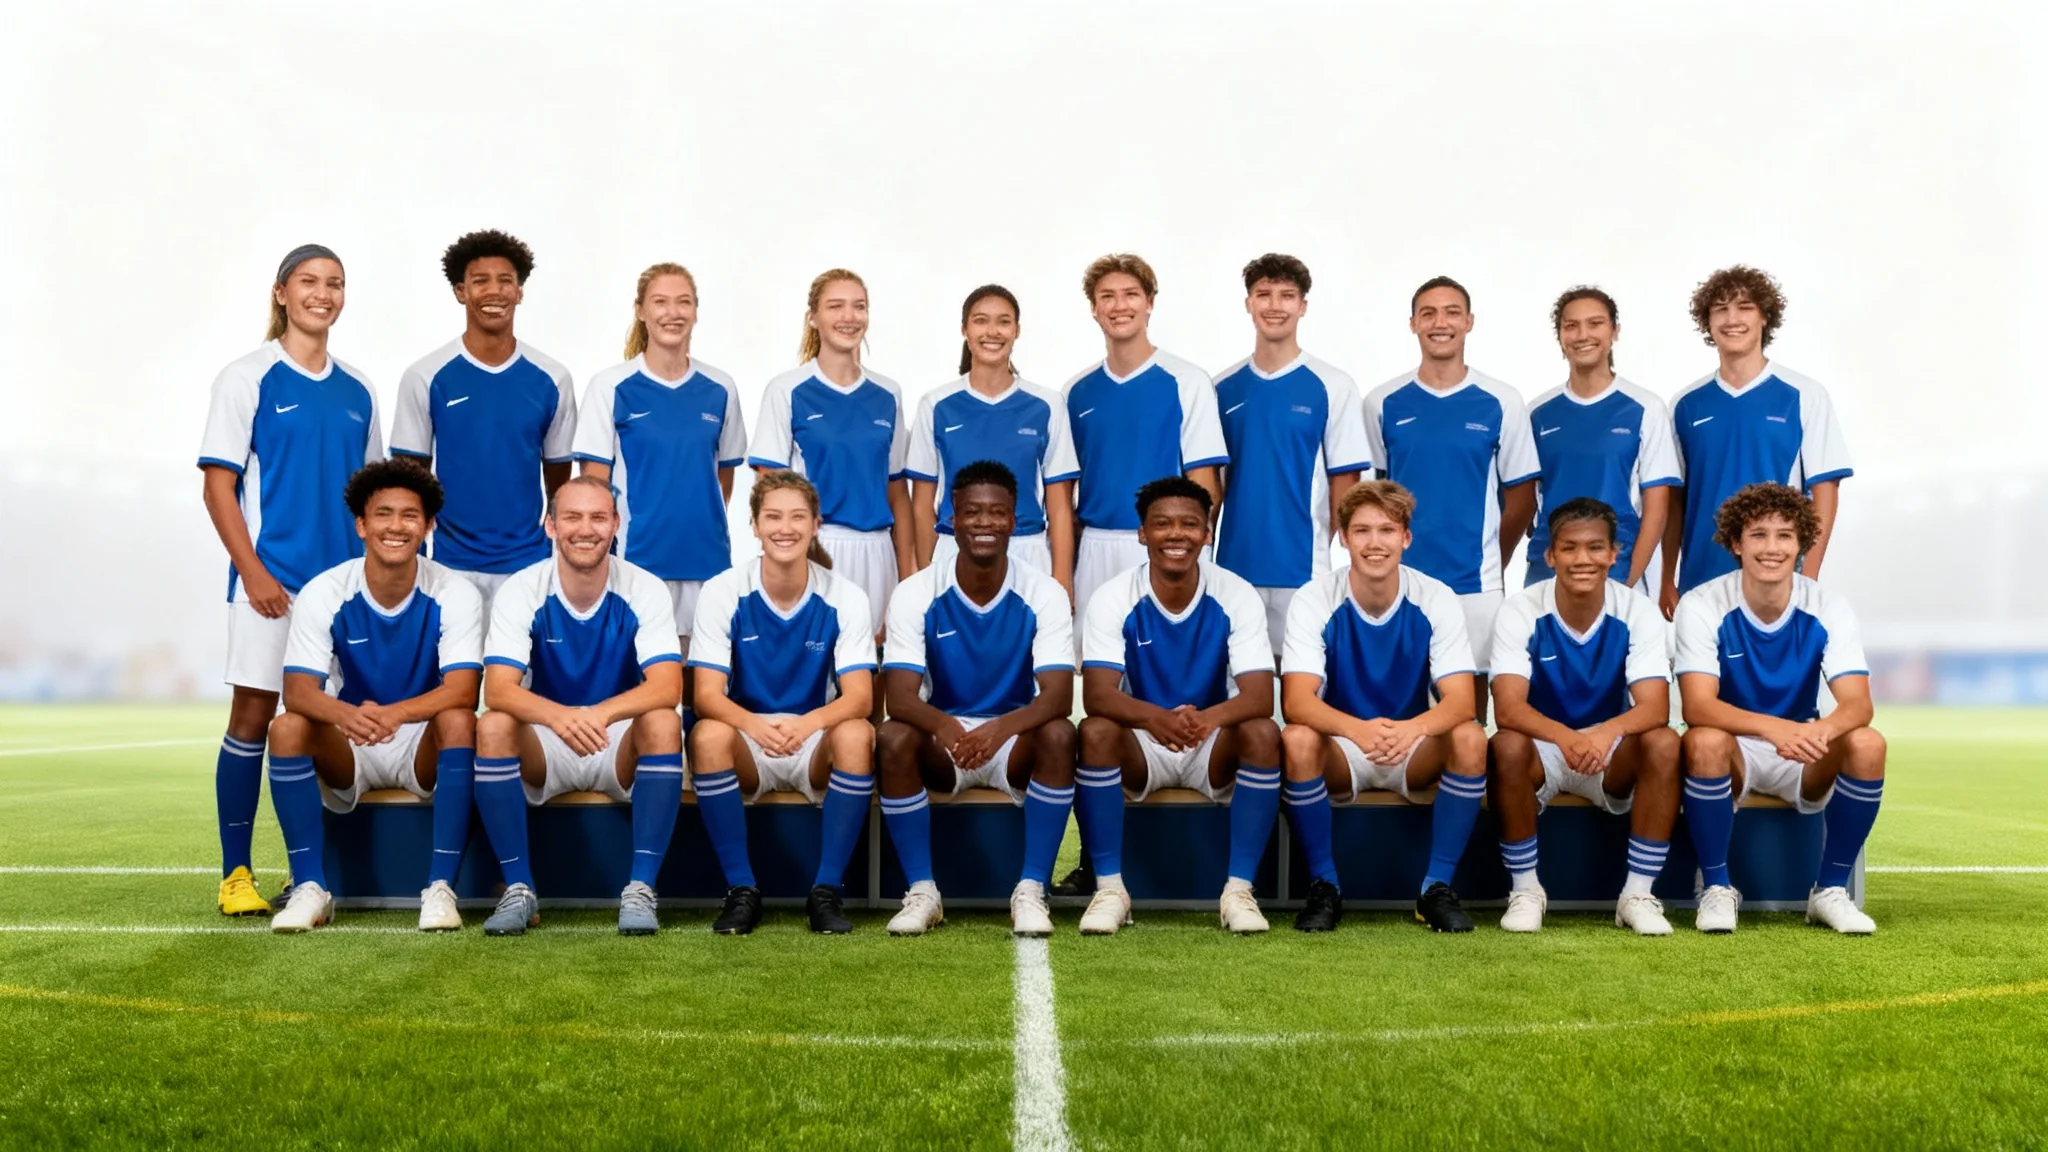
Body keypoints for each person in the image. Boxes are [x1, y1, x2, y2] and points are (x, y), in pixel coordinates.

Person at [197, 243, 383, 917]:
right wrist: (253, 572)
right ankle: (236, 874)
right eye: (309, 282)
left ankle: (316, 874)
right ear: (281, 292)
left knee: (321, 728)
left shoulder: (359, 388)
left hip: (342, 598)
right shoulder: (247, 377)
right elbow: (220, 486)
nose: (322, 294)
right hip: (270, 587)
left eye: (335, 283)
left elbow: (375, 498)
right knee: (253, 717)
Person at [264, 461, 484, 932]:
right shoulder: (325, 591)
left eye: (410, 515)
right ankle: (310, 887)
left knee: (462, 721)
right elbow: (298, 691)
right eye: (383, 514)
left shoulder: (455, 591)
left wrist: (394, 714)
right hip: (352, 740)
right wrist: (348, 715)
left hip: (419, 738)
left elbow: (464, 689)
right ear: (362, 525)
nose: (396, 526)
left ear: (428, 527)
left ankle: (441, 887)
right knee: (285, 727)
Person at [472, 477, 685, 937]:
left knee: (664, 722)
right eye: (572, 516)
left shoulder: (644, 588)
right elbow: (499, 689)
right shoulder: (522, 589)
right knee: (493, 727)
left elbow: (668, 685)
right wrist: (562, 716)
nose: (584, 529)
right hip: (549, 741)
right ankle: (519, 890)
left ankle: (642, 888)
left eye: (597, 517)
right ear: (550, 525)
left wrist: (599, 714)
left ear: (615, 525)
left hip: (616, 739)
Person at [1277, 480, 1488, 933]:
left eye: (1387, 530)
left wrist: (1411, 730)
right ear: (1344, 538)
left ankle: (1435, 889)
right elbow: (1295, 701)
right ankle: (1324, 886)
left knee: (1470, 736)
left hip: (1412, 747)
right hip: (1344, 746)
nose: (1375, 543)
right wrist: (1358, 730)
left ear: (1406, 538)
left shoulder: (1435, 597)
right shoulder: (1315, 598)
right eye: (1362, 531)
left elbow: (1462, 701)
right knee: (1296, 739)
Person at [878, 462, 1078, 936]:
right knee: (892, 736)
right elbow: (900, 698)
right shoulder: (916, 591)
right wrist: (948, 727)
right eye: (972, 512)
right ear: (952, 518)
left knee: (1059, 733)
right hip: (942, 744)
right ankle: (923, 891)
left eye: (996, 513)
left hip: (1012, 743)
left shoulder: (1044, 592)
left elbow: (1059, 697)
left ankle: (1031, 889)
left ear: (1014, 520)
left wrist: (999, 728)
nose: (984, 523)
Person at [1675, 482, 1884, 934]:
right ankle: (1715, 888)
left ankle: (1829, 890)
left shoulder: (1828, 605)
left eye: (1785, 535)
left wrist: (1818, 732)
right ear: (1736, 543)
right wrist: (1775, 729)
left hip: (1804, 751)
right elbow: (1697, 705)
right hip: (1736, 749)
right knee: (1703, 740)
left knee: (1867, 743)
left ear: (1801, 544)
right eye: (1759, 535)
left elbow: (1857, 704)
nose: (1772, 548)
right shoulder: (1702, 604)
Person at [1076, 477, 1280, 936]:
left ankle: (1238, 892)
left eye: (1190, 524)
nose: (1177, 534)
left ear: (1208, 532)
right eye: (1162, 524)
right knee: (1094, 731)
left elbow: (1259, 696)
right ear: (1142, 533)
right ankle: (1110, 889)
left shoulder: (1235, 593)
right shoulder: (1113, 597)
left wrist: (1205, 719)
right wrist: (1155, 717)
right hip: (1143, 744)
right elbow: (1098, 694)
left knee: (1264, 732)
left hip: (1210, 744)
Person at [687, 471, 879, 936]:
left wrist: (807, 724)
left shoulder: (845, 596)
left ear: (816, 524)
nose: (784, 528)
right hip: (748, 736)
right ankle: (741, 891)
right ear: (753, 525)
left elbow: (861, 697)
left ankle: (826, 891)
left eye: (797, 517)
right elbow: (705, 695)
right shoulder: (722, 591)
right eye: (772, 516)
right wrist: (753, 726)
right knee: (707, 734)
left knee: (857, 733)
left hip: (814, 737)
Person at [1487, 498, 1681, 935]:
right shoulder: (1521, 610)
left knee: (1665, 741)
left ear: (1614, 554)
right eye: (1569, 548)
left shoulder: (1638, 611)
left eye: (1596, 548)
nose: (1583, 559)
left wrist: (1600, 734)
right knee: (1506, 744)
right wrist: (1566, 739)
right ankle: (1525, 890)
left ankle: (1637, 894)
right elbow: (1508, 709)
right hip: (1545, 748)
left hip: (1609, 752)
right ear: (1550, 555)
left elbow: (1655, 707)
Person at [573, 262, 747, 727]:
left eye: (683, 302)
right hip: (635, 564)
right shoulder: (610, 386)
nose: (673, 312)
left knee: (701, 694)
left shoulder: (720, 388)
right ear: (641, 312)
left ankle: (696, 789)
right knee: (642, 691)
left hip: (706, 565)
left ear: (696, 311)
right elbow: (592, 488)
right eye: (661, 302)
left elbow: (721, 482)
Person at [1363, 276, 1538, 716]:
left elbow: (1522, 498)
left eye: (1452, 312)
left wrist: (1488, 556)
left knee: (1468, 711)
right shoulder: (1383, 402)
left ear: (1469, 322)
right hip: (1400, 581)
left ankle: (1467, 787)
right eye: (1429, 313)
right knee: (1395, 698)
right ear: (1413, 324)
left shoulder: (1502, 400)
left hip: (1474, 585)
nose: (1440, 323)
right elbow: (1373, 497)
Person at [389, 230, 576, 608]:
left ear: (519, 292)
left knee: (518, 669)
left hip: (528, 565)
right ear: (461, 291)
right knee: (454, 669)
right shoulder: (425, 375)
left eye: (505, 281)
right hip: (448, 564)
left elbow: (558, 479)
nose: (494, 291)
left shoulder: (552, 378)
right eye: (480, 281)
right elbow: (408, 479)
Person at [1659, 265, 1853, 617]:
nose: (1732, 318)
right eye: (1720, 309)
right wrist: (1666, 578)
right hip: (1701, 581)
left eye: (1744, 307)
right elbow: (1674, 502)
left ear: (1765, 316)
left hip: (1779, 581)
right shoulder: (1685, 404)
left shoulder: (1804, 395)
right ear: (1708, 322)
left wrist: (1807, 577)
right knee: (1701, 673)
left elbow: (1825, 491)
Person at [1212, 254, 1372, 655]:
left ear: (1303, 306)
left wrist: (1327, 547)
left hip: (1304, 566)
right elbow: (1210, 485)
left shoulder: (1332, 385)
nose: (1274, 305)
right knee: (1238, 681)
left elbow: (1346, 485)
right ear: (1248, 303)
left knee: (1305, 682)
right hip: (1233, 565)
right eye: (1263, 294)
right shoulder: (1221, 388)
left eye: (1286, 295)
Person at [1063, 254, 1229, 615]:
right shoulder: (1076, 392)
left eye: (1131, 294)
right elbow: (1067, 490)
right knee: (1094, 662)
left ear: (1150, 303)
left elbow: (1205, 485)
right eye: (1107, 296)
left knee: (1165, 661)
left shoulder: (1187, 382)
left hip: (1162, 544)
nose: (1119, 306)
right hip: (1095, 546)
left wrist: (1188, 548)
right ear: (1093, 308)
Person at [748, 269, 910, 637]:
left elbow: (898, 493)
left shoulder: (888, 394)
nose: (849, 317)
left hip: (877, 549)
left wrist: (908, 575)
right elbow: (769, 491)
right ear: (813, 317)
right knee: (811, 665)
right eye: (835, 306)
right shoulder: (787, 390)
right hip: (816, 547)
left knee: (875, 664)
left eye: (859, 307)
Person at [903, 285, 1079, 594]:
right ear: (964, 329)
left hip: (1026, 549)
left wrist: (1062, 581)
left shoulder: (1047, 405)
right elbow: (921, 505)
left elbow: (1060, 505)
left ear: (1017, 330)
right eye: (981, 320)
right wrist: (929, 574)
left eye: (1004, 321)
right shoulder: (936, 404)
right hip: (954, 550)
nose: (992, 331)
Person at [1523, 287, 1680, 589]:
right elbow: (1526, 500)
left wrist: (1628, 581)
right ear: (1560, 336)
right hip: (1548, 567)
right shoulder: (1538, 413)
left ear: (1614, 331)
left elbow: (1657, 509)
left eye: (1595, 324)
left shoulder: (1645, 408)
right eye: (1571, 326)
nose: (1583, 335)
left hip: (1616, 566)